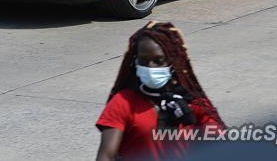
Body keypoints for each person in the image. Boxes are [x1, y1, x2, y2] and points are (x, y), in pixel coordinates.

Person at [96, 21, 225, 160]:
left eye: (159, 60)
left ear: (172, 61)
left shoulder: (192, 101)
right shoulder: (123, 101)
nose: (150, 67)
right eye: (143, 60)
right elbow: (106, 155)